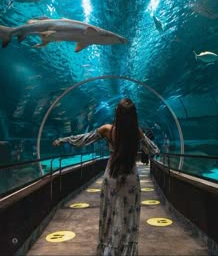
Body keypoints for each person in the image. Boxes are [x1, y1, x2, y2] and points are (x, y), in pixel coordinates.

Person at [52, 98, 160, 256]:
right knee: (129, 215)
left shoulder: (107, 130)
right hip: (130, 177)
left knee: (109, 213)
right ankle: (127, 250)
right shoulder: (136, 131)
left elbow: (84, 139)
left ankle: (108, 249)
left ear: (117, 113)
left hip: (111, 176)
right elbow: (153, 150)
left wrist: (64, 140)